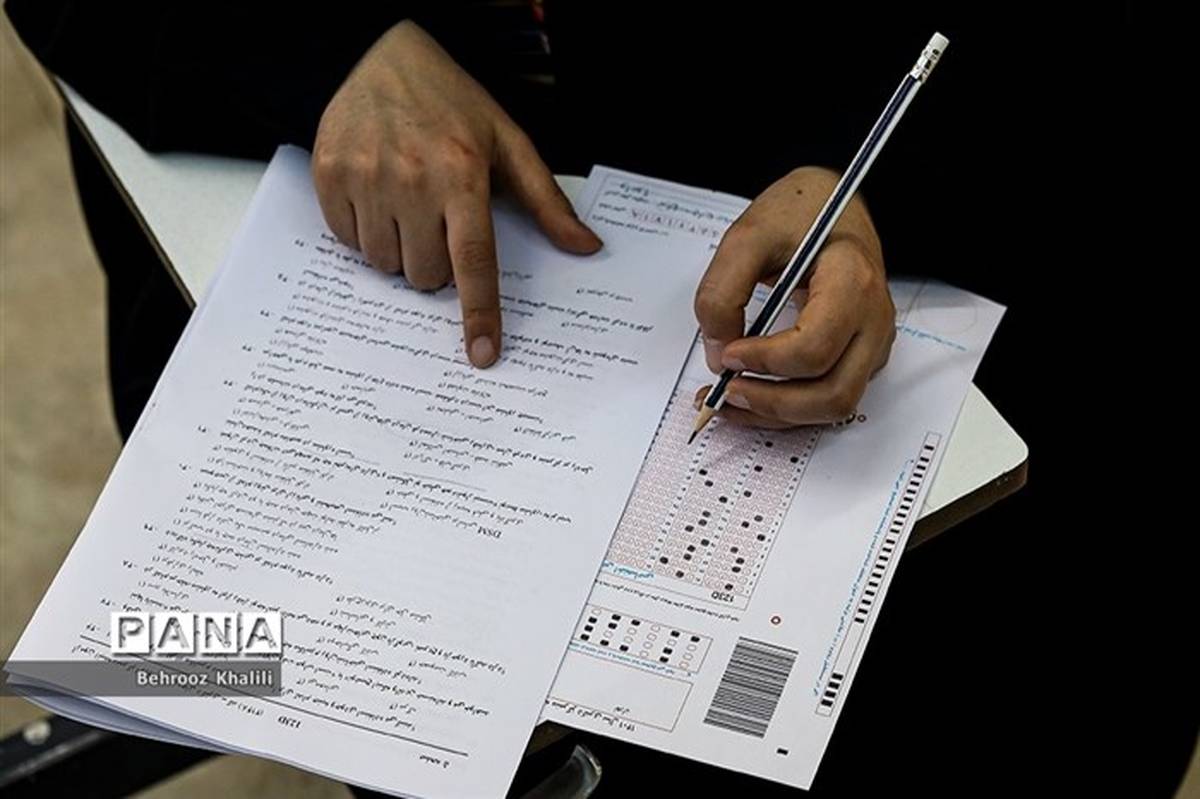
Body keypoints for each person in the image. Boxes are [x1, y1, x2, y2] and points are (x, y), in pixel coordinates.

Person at [9, 3, 1186, 797]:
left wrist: (883, 187)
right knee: (321, 662)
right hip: (309, 219)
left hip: (853, 205)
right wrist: (328, 48)